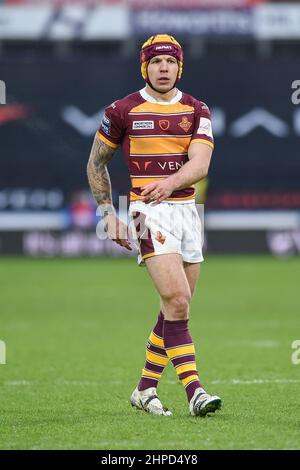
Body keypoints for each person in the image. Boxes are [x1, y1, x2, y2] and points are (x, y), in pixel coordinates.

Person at [87, 34, 222, 417]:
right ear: (144, 67)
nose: (164, 68)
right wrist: (106, 213)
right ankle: (195, 391)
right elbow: (96, 164)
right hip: (147, 212)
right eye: (156, 61)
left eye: (171, 62)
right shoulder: (122, 110)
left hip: (186, 212)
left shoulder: (198, 110)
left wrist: (169, 183)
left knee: (175, 308)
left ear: (181, 67)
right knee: (178, 300)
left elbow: (200, 164)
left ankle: (145, 389)